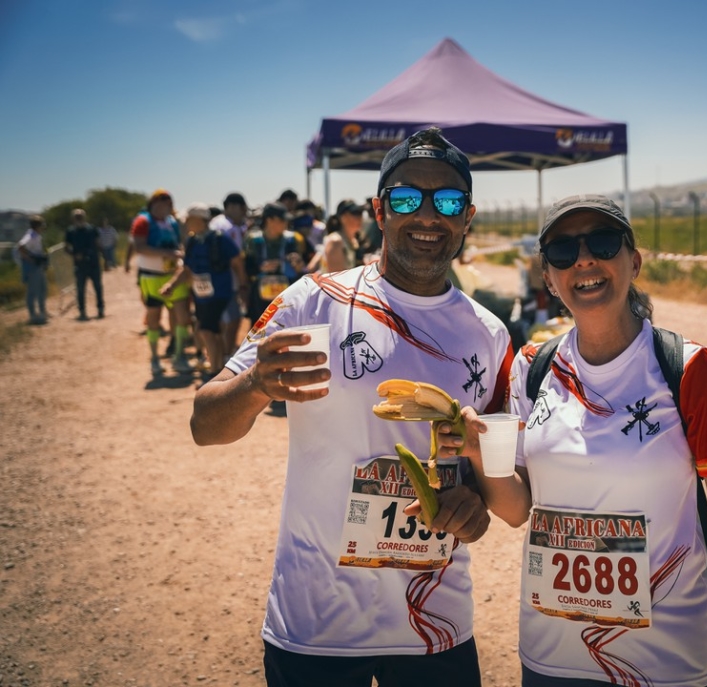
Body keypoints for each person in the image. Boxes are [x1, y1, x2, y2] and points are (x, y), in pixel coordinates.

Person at [191, 127, 514, 687]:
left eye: (448, 201)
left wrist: (474, 505)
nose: (428, 215)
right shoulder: (311, 302)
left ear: (468, 217)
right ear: (378, 211)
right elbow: (204, 423)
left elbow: (498, 477)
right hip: (314, 623)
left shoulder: (490, 335)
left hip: (433, 626)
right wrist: (255, 386)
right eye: (406, 198)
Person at [438, 194, 707, 686]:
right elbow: (516, 509)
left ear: (633, 262)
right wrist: (477, 449)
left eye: (603, 242)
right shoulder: (532, 368)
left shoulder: (689, 369)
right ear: (548, 277)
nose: (584, 260)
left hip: (668, 662)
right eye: (563, 251)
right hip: (551, 658)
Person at [165, 203, 247, 379]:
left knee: (206, 331)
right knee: (213, 332)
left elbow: (237, 262)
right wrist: (171, 285)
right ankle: (218, 368)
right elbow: (187, 269)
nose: (186, 223)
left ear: (200, 220)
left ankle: (215, 371)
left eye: (189, 219)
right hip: (201, 296)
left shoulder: (220, 239)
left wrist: (242, 286)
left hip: (220, 294)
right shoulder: (192, 242)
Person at [131, 189, 192, 376]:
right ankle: (154, 358)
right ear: (153, 203)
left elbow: (180, 242)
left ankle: (179, 355)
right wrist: (166, 253)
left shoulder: (172, 222)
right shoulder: (142, 221)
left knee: (182, 316)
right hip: (151, 277)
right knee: (154, 317)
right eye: (161, 202)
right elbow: (139, 247)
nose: (164, 207)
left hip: (173, 275)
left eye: (168, 203)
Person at [242, 202, 314, 326]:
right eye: (282, 220)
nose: (286, 223)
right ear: (269, 220)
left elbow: (306, 265)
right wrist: (261, 268)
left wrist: (299, 265)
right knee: (260, 329)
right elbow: (246, 268)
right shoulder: (253, 240)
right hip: (261, 296)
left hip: (288, 294)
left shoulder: (294, 239)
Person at [209, 192, 250, 356]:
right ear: (232, 207)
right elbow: (236, 260)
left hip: (217, 281)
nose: (244, 213)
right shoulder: (227, 227)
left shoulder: (216, 223)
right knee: (231, 321)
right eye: (243, 208)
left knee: (220, 321)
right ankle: (225, 357)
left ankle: (218, 356)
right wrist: (243, 283)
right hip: (226, 282)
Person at [65, 208, 104, 320]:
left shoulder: (92, 229)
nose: (79, 219)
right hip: (80, 265)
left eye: (80, 217)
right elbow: (66, 247)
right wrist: (74, 254)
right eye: (77, 217)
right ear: (73, 219)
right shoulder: (71, 231)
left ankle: (100, 309)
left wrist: (105, 259)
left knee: (98, 287)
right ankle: (82, 311)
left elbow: (98, 244)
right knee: (80, 289)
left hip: (93, 263)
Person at [314, 198, 364, 273]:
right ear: (343, 217)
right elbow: (336, 277)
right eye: (355, 213)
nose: (360, 217)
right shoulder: (335, 241)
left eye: (361, 213)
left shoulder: (353, 241)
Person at [17, 214, 49, 324]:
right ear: (37, 226)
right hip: (32, 267)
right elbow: (21, 246)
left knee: (42, 289)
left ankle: (42, 311)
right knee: (33, 291)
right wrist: (31, 258)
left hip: (38, 266)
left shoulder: (37, 236)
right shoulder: (30, 235)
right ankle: (33, 315)